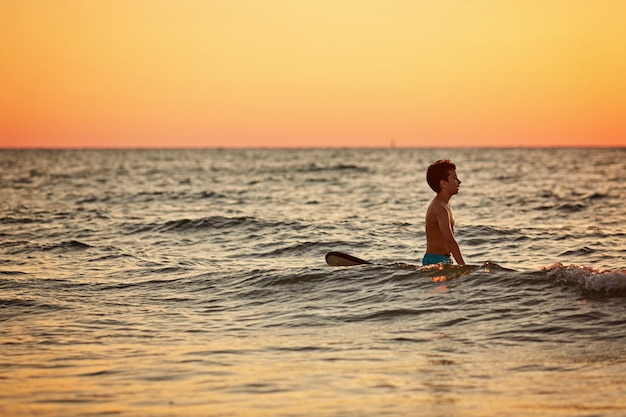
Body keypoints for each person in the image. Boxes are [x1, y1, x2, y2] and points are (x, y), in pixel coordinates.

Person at [423, 160, 466, 266]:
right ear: (443, 183)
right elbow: (450, 242)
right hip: (436, 261)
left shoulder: (445, 206)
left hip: (444, 259)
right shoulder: (440, 208)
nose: (459, 182)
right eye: (454, 178)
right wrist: (464, 267)